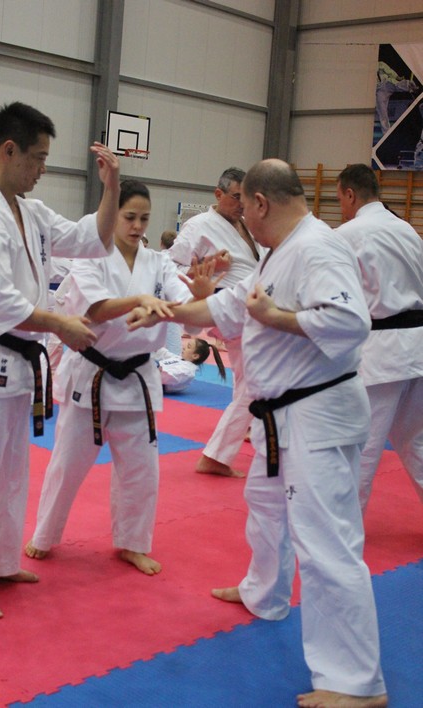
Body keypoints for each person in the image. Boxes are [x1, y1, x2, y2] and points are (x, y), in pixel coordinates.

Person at [128, 159, 387, 708]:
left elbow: (350, 322)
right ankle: (265, 593)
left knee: (327, 545)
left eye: (243, 206)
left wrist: (277, 317)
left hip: (318, 414)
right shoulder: (278, 252)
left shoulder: (318, 248)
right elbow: (227, 305)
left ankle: (355, 682)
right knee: (265, 504)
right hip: (283, 414)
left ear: (261, 203)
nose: (241, 216)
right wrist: (165, 311)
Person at [0, 101, 120, 621]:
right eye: (39, 157)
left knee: (9, 473)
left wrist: (111, 187)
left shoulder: (29, 210)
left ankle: (0, 563)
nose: (44, 168)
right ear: (9, 150)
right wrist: (60, 324)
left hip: (14, 361)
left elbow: (93, 239)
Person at [25, 179, 218, 575]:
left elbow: (184, 310)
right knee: (67, 465)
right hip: (92, 373)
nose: (137, 226)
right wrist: (143, 300)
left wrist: (201, 296)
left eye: (144, 218)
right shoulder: (90, 257)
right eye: (129, 217)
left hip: (137, 377)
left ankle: (132, 543)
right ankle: (44, 535)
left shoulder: (158, 263)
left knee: (141, 469)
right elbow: (96, 309)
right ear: (112, 215)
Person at [336, 163, 423, 512]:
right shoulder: (407, 229)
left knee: (362, 443)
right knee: (416, 441)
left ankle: (341, 527)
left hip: (384, 353)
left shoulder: (348, 234)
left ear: (350, 194)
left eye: (340, 199)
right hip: (418, 347)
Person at [169, 166, 266, 477]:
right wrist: (212, 264)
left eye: (245, 198)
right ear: (218, 194)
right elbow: (171, 266)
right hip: (226, 305)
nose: (241, 204)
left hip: (252, 306)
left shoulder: (248, 224)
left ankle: (252, 428)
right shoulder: (199, 226)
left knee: (247, 376)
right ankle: (216, 456)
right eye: (236, 197)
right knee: (255, 380)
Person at [155, 336, 226, 393]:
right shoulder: (180, 359)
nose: (184, 347)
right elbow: (165, 354)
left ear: (195, 356)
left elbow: (170, 377)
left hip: (158, 383)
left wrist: (157, 370)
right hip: (155, 374)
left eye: (188, 347)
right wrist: (154, 347)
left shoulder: (188, 372)